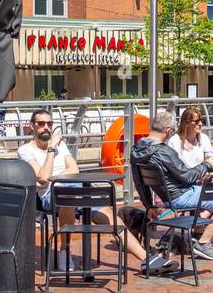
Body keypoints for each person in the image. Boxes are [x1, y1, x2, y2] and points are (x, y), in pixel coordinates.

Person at [19, 109, 174, 276]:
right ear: (32, 126)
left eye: (49, 124)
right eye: (41, 124)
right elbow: (42, 177)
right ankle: (64, 250)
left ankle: (147, 260)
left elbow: (74, 169)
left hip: (77, 188)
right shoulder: (26, 150)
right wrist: (51, 152)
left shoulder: (61, 146)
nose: (46, 128)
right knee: (68, 197)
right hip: (50, 196)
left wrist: (54, 176)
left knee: (109, 216)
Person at [131, 110, 213, 261]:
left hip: (168, 197)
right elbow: (187, 176)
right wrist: (206, 165)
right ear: (168, 130)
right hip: (181, 194)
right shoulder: (164, 151)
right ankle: (203, 242)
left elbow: (139, 182)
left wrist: (149, 205)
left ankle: (195, 233)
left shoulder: (136, 149)